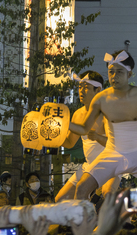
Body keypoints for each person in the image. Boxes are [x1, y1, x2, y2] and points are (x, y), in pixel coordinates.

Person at [62, 49, 137, 201]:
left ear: (129, 74)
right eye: (111, 72)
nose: (114, 76)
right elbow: (83, 129)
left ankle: (134, 206)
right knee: (81, 189)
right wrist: (62, 123)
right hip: (111, 154)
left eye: (119, 72)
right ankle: (94, 216)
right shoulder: (100, 99)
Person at [56, 70, 115, 201]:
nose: (81, 91)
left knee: (107, 194)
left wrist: (98, 137)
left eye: (86, 87)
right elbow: (69, 142)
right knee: (61, 198)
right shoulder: (78, 114)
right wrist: (54, 136)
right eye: (80, 87)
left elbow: (115, 144)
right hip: (89, 166)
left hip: (109, 165)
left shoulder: (107, 112)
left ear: (98, 90)